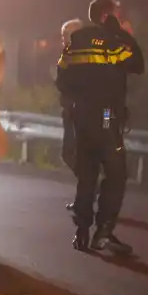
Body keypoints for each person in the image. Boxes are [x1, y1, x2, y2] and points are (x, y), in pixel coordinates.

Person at [56, 0, 144, 253]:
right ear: (107, 17)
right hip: (106, 117)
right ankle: (103, 232)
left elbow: (61, 78)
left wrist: (78, 100)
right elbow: (138, 64)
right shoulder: (112, 41)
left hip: (81, 117)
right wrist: (120, 33)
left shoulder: (76, 41)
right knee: (116, 174)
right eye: (117, 13)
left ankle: (82, 231)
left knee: (88, 174)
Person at [60, 18, 86, 211]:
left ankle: (87, 192)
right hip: (70, 112)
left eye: (66, 35)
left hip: (82, 113)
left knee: (76, 154)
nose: (63, 39)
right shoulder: (68, 54)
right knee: (69, 154)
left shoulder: (84, 56)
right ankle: (86, 190)